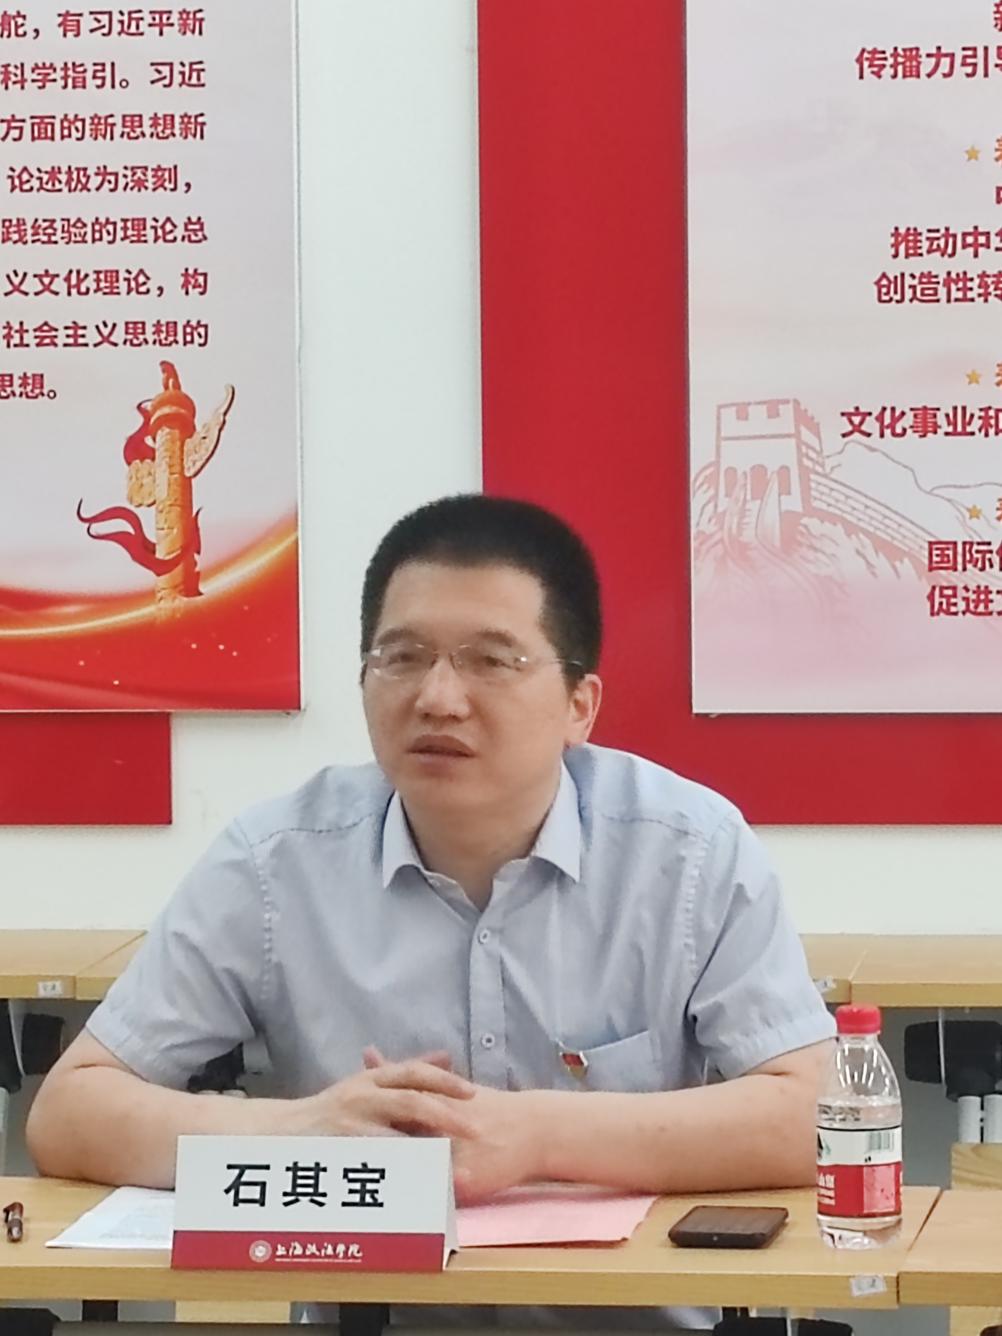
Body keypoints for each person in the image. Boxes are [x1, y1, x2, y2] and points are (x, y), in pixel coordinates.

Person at [27, 494, 834, 1330]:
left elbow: (818, 1114)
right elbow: (73, 1111)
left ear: (579, 705)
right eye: (403, 657)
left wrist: (538, 1135)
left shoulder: (689, 853)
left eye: (492, 661)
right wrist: (304, 1128)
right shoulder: (275, 863)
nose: (439, 698)